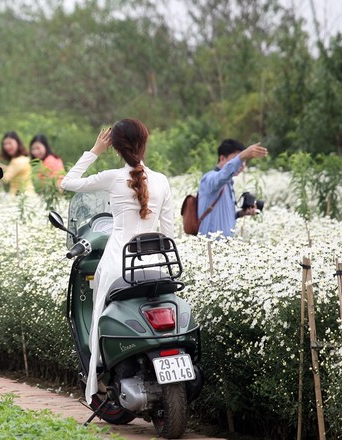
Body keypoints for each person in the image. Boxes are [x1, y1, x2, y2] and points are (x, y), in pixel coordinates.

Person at [60, 118, 174, 404]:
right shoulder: (161, 181)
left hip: (116, 265)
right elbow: (170, 233)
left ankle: (99, 373)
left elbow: (67, 183)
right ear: (144, 143)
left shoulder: (112, 178)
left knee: (99, 317)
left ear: (116, 148)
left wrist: (95, 150)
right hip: (154, 264)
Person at [197, 139, 268, 238]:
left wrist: (241, 213)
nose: (242, 164)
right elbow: (222, 175)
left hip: (225, 247)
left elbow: (224, 217)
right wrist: (242, 156)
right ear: (222, 158)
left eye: (244, 161)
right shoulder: (210, 179)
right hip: (210, 246)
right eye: (236, 159)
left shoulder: (228, 182)